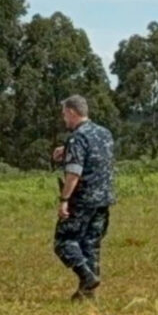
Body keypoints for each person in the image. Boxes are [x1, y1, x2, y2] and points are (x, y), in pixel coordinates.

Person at [55, 95, 116, 299]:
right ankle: (88, 294)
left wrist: (64, 200)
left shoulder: (76, 137)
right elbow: (96, 156)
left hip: (82, 199)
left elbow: (74, 173)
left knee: (64, 241)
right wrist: (67, 150)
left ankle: (87, 277)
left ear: (72, 112)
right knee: (91, 244)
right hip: (103, 199)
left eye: (65, 115)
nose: (64, 120)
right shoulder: (104, 133)